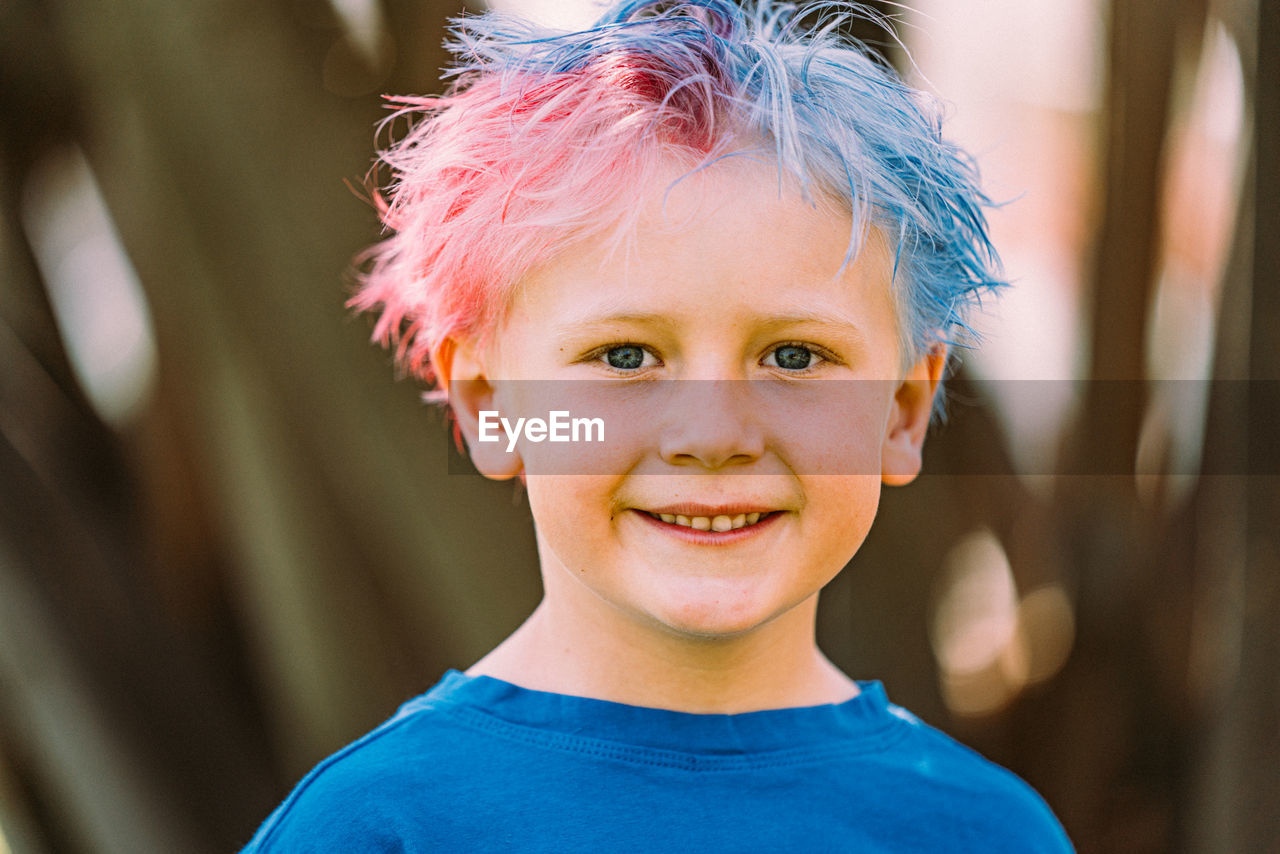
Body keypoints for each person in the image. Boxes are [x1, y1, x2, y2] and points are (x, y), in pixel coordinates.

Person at [241, 2, 1074, 850]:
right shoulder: (377, 828)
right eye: (626, 357)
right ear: (490, 404)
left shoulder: (988, 834)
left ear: (900, 411)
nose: (713, 435)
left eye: (793, 357)